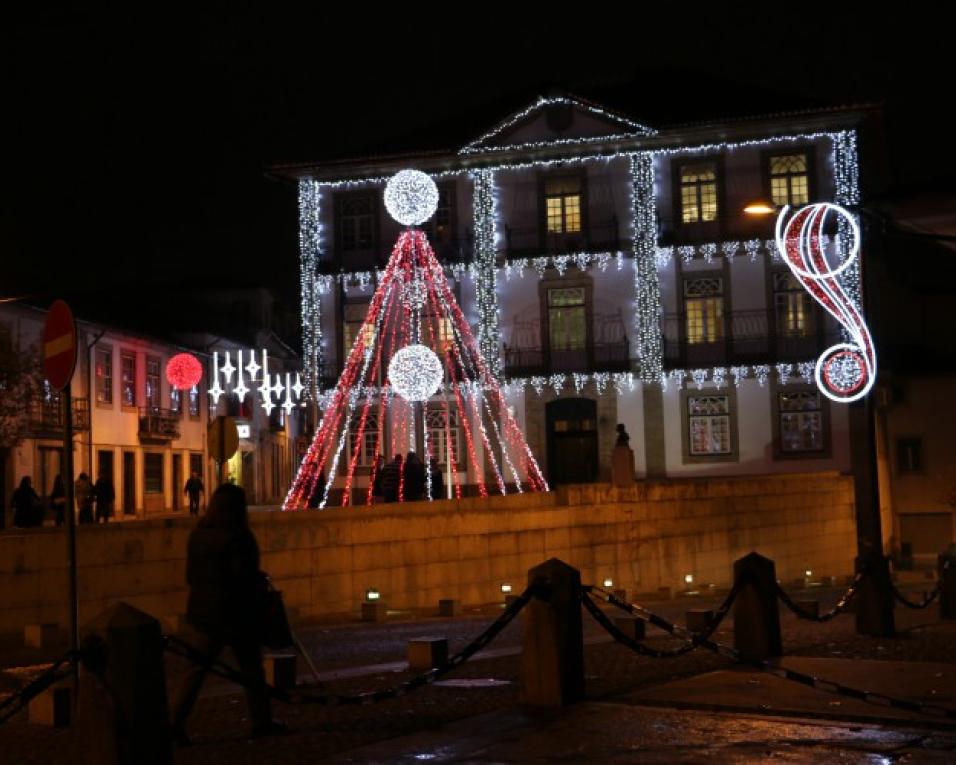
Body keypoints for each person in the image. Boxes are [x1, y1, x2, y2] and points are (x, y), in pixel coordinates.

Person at [170, 484, 283, 744]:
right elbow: (243, 578)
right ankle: (261, 721)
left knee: (194, 670)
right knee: (252, 669)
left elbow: (190, 575)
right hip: (235, 615)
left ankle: (174, 722)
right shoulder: (238, 536)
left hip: (203, 612)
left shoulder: (198, 534)